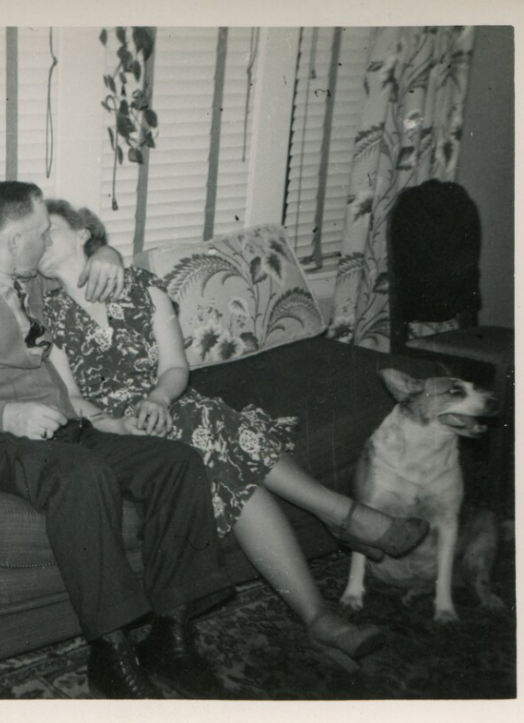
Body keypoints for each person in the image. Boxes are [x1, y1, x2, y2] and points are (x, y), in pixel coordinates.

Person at [35, 198, 432, 665]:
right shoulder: (46, 320)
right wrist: (115, 422)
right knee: (208, 427)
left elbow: (175, 368)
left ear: (83, 233)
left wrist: (160, 399)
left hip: (168, 404)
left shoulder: (144, 288)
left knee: (225, 468)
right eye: (33, 235)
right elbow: (71, 400)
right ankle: (346, 518)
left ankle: (318, 618)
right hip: (117, 431)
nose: (39, 240)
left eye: (49, 229)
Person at [0, 181, 236, 699]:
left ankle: (171, 634)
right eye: (39, 232)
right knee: (82, 474)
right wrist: (6, 414)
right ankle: (111, 648)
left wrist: (106, 250)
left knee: (175, 461)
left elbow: (91, 262)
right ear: (13, 240)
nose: (46, 241)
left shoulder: (29, 283)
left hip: (63, 429)